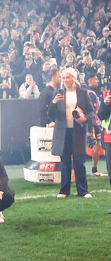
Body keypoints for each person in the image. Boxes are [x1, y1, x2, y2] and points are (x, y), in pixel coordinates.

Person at [48, 67, 94, 198]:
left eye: (68, 77)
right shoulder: (58, 93)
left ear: (74, 79)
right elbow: (50, 114)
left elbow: (91, 112)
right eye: (63, 78)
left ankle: (83, 191)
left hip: (78, 131)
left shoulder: (83, 93)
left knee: (79, 162)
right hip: (63, 132)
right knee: (65, 162)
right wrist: (53, 102)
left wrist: (85, 119)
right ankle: (64, 191)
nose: (65, 80)